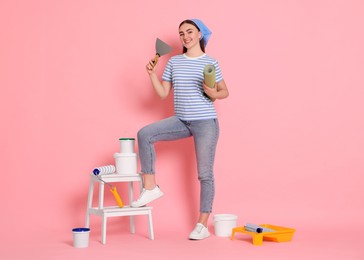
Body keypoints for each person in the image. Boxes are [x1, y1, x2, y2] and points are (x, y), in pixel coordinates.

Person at [131, 19, 229, 240]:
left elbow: (224, 92)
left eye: (189, 32)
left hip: (205, 123)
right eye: (181, 33)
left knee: (205, 174)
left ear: (199, 34)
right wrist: (151, 74)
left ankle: (202, 224)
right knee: (145, 134)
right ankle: (151, 186)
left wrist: (213, 93)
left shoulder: (210, 62)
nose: (185, 37)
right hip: (182, 121)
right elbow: (163, 94)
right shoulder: (174, 62)